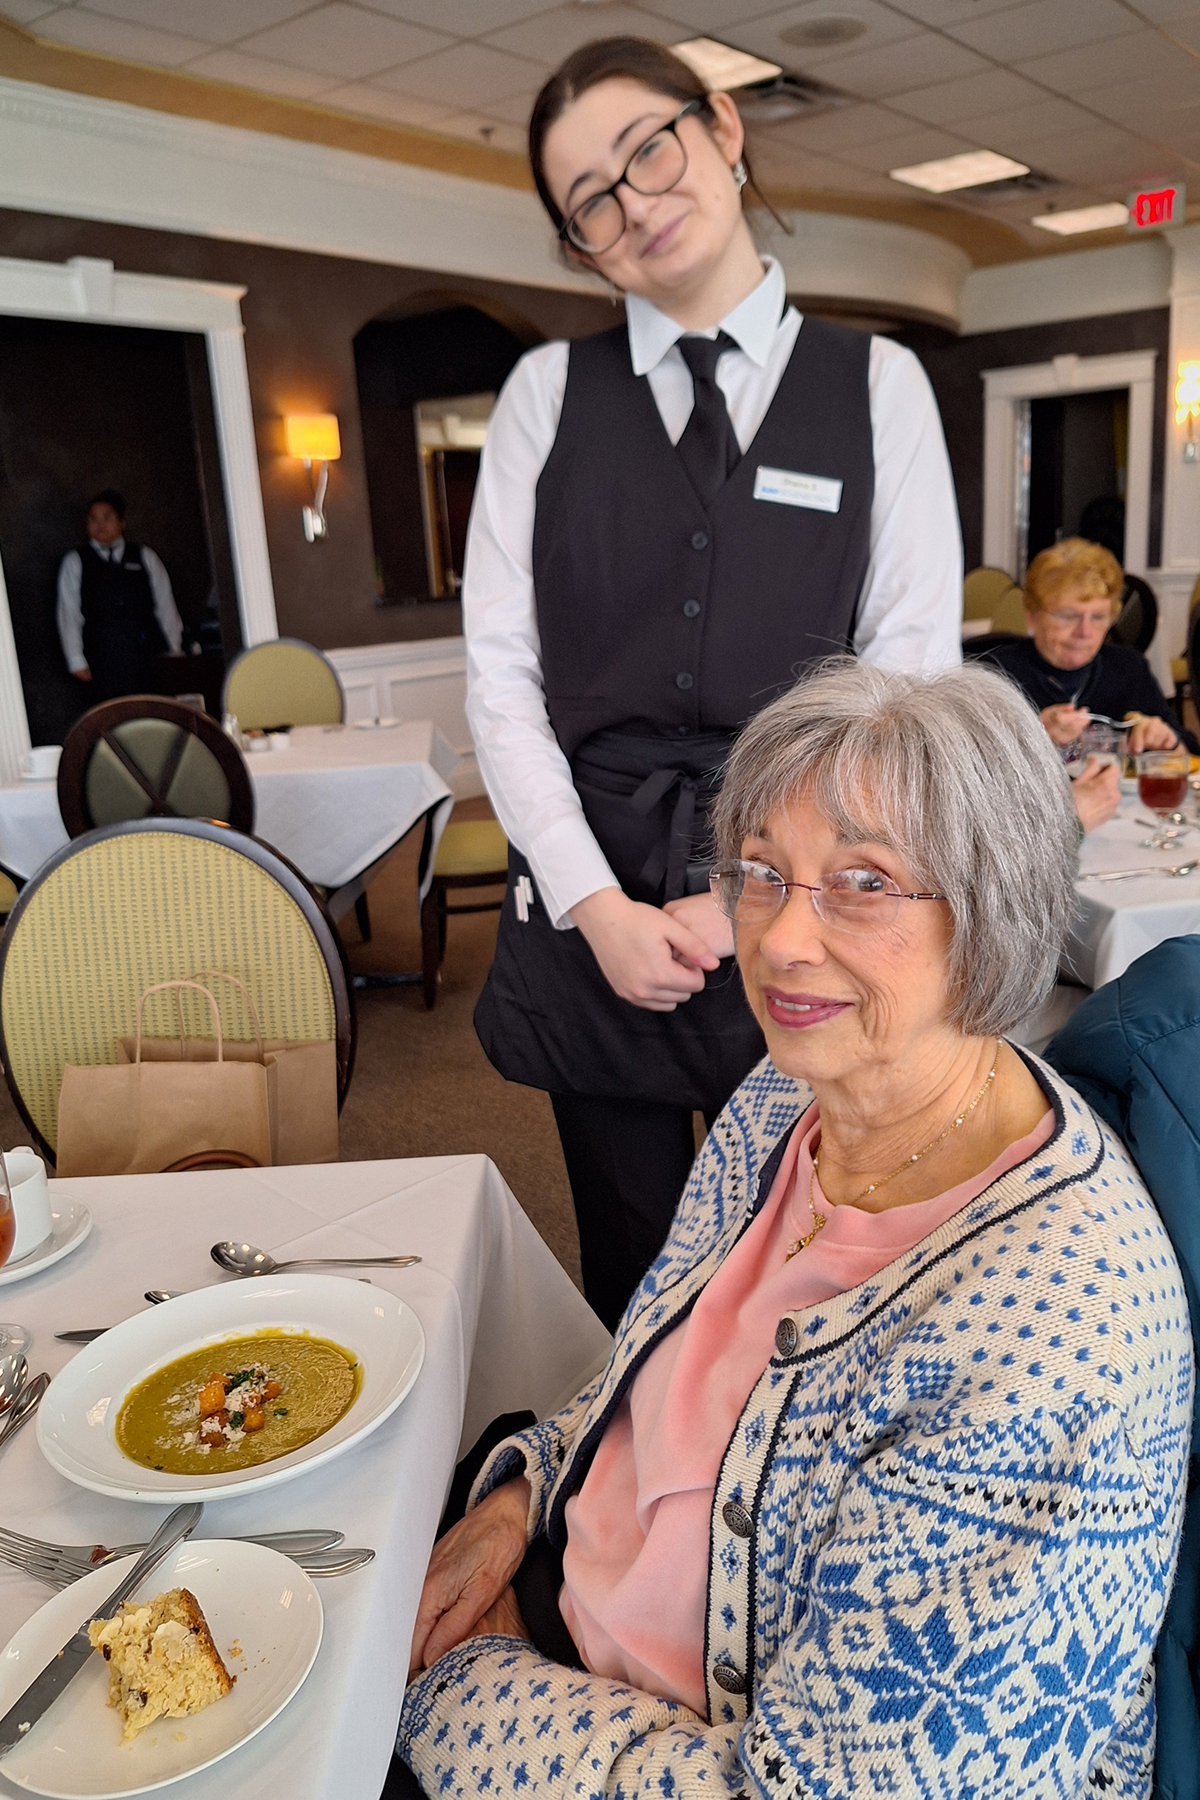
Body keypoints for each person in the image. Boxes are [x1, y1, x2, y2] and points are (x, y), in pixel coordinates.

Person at [398, 659, 1191, 1800]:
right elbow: (658, 1367)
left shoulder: (1050, 1343)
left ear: (996, 905)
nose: (776, 941)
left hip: (600, 1730)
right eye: (761, 872)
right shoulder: (790, 1097)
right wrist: (526, 1495)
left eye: (863, 882)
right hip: (556, 1614)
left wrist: (460, 1685)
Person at [467, 36, 963, 1330]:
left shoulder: (881, 387)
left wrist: (744, 894)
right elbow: (502, 685)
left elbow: (909, 672)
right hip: (599, 906)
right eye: (591, 198)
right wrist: (598, 905)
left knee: (817, 1241)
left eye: (649, 150)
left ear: (723, 130)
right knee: (634, 1258)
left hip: (806, 889)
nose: (634, 200)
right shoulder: (541, 398)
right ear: (580, 243)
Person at [986, 537, 1185, 756]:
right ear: (1032, 617)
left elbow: (1187, 753)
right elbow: (967, 769)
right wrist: (1034, 733)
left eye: (1099, 617)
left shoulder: (1128, 668)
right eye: (1068, 616)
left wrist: (1167, 740)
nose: (1085, 632)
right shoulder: (996, 676)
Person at [57, 489, 183, 702]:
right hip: (101, 659)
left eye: (107, 518)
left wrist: (174, 649)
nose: (100, 525)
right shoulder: (75, 561)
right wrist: (76, 660)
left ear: (122, 522)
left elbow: (165, 604)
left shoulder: (144, 556)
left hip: (146, 655)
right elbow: (69, 613)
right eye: (93, 519)